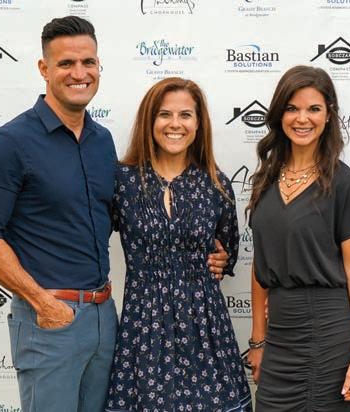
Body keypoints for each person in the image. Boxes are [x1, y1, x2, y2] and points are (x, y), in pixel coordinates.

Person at [0, 16, 229, 412]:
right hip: (49, 320)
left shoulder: (101, 142)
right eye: (66, 63)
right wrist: (42, 303)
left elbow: (135, 219)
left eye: (88, 62)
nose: (79, 73)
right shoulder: (10, 143)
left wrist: (209, 252)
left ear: (99, 66)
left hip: (106, 317)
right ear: (44, 69)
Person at [105, 77, 251, 412]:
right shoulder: (123, 181)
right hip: (143, 329)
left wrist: (219, 260)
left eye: (185, 115)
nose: (175, 124)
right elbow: (90, 236)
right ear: (149, 121)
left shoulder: (215, 184)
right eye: (164, 114)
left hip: (206, 329)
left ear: (198, 124)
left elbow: (227, 253)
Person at [246, 65, 350, 411]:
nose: (302, 119)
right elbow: (259, 266)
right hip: (280, 335)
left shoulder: (344, 184)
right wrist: (258, 340)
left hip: (330, 334)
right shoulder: (265, 181)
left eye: (314, 109)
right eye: (292, 108)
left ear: (328, 115)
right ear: (279, 114)